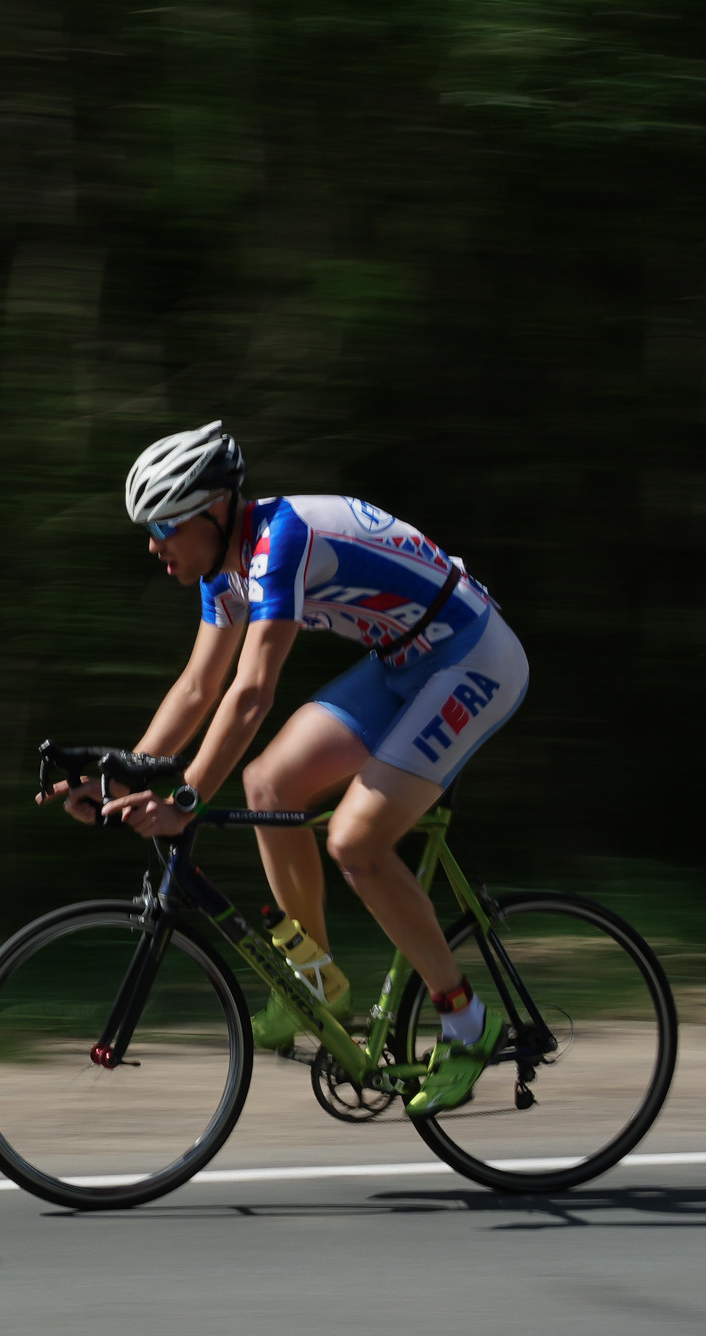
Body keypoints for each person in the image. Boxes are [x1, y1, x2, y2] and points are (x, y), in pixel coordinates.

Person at [47, 423, 529, 1116]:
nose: (154, 546)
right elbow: (196, 688)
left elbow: (250, 694)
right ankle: (316, 978)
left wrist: (184, 799)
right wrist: (117, 780)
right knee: (267, 783)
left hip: (471, 659)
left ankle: (466, 1022)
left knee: (355, 843)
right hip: (404, 664)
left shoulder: (282, 544)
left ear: (216, 512)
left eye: (164, 526)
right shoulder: (227, 565)